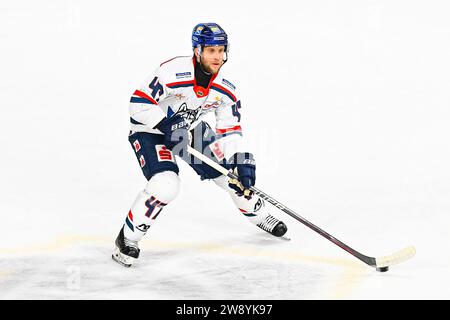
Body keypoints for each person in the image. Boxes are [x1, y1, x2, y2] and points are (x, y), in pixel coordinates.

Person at [112, 22, 288, 267]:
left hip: (188, 131)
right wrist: (166, 125)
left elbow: (229, 130)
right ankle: (128, 239)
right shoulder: (172, 71)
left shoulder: (226, 90)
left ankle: (260, 215)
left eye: (221, 50)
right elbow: (138, 104)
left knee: (232, 175)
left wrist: (240, 157)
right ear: (198, 50)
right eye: (211, 50)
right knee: (166, 185)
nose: (217, 56)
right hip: (150, 132)